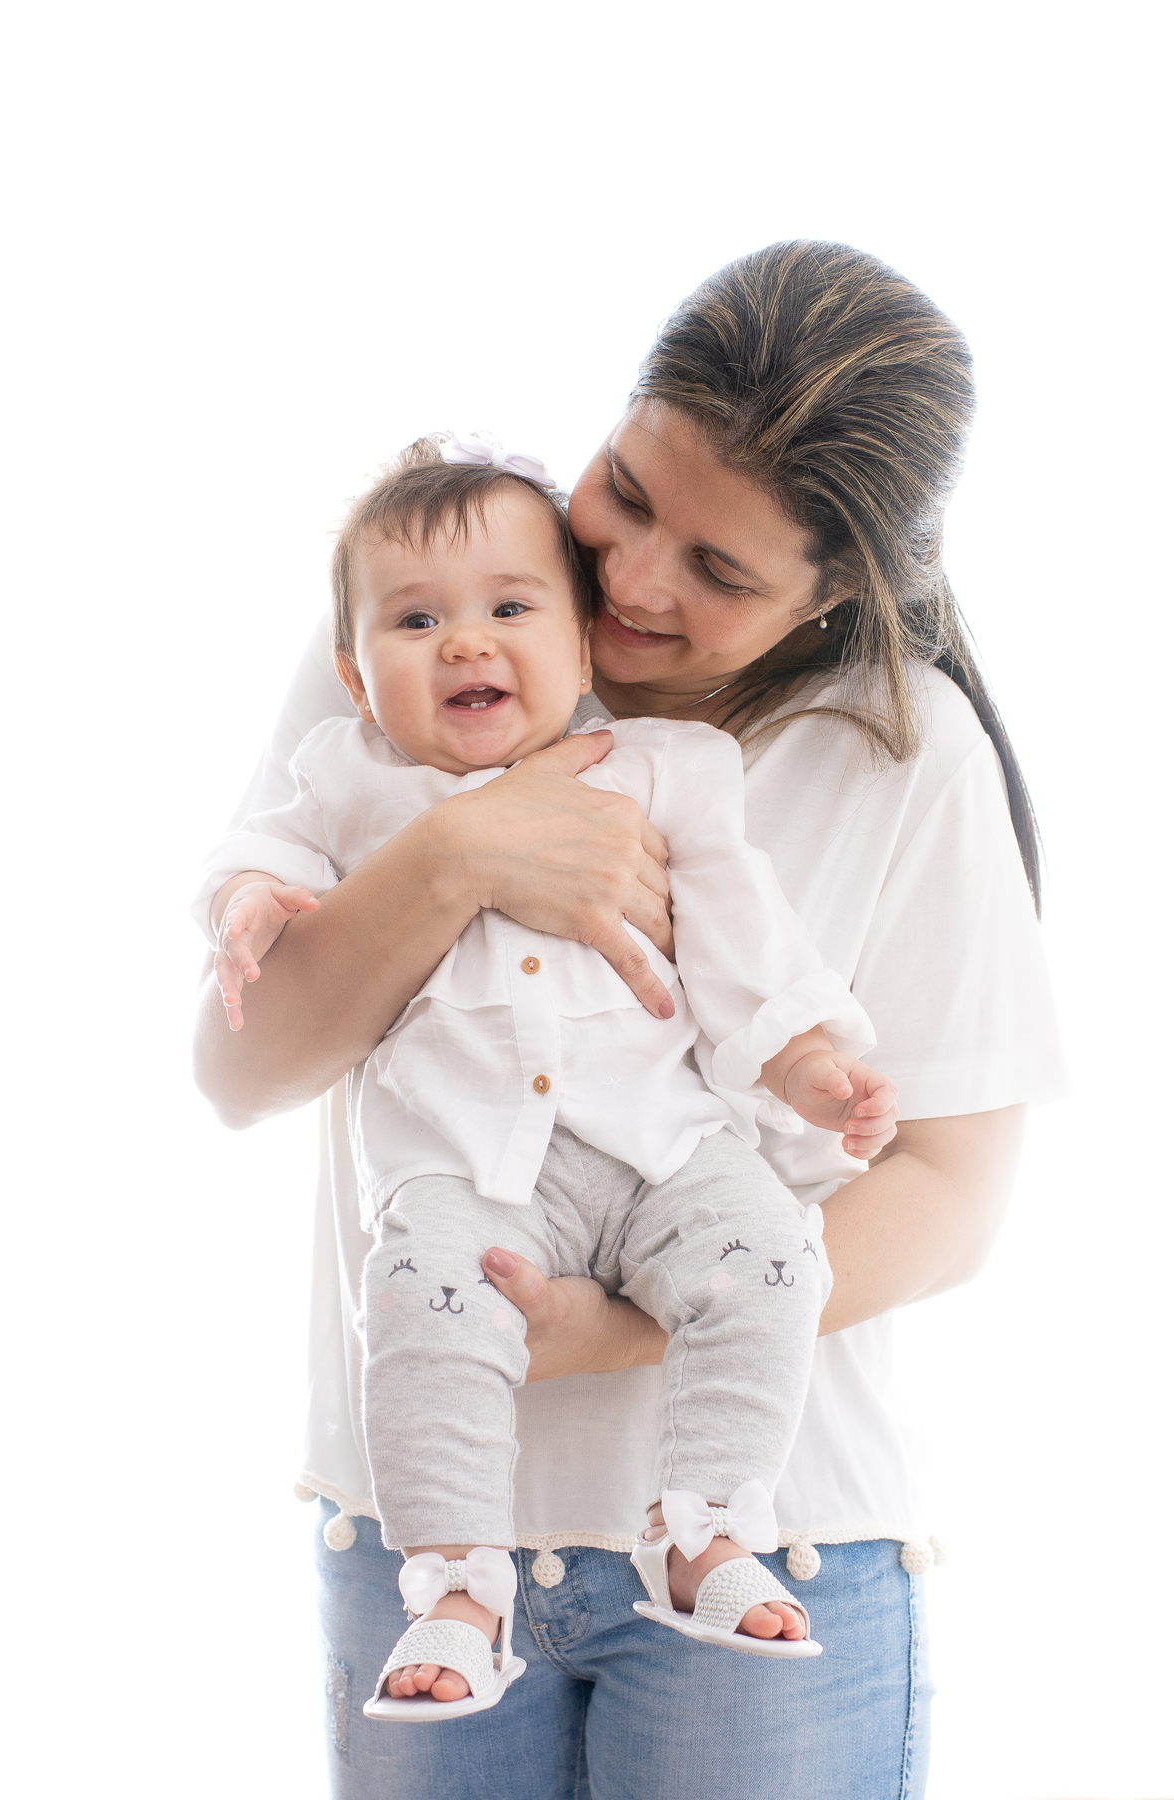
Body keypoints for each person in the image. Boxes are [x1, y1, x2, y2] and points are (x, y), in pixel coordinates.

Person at [192, 242, 1066, 1799]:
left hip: (783, 1537)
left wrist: (618, 1335)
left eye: (720, 569)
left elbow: (949, 1195)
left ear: (836, 593)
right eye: (630, 493)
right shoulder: (421, 631)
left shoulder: (904, 753)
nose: (640, 580)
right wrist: (461, 853)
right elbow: (241, 1070)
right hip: (418, 1545)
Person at [196, 432, 900, 1718]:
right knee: (417, 1305)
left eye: (510, 610)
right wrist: (247, 904)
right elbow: (263, 855)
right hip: (467, 1167)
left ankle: (704, 1524)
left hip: (661, 1149)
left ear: (583, 650)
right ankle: (458, 1584)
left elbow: (741, 925)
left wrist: (804, 1059)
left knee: (776, 1256)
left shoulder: (666, 768)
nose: (465, 641)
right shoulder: (348, 778)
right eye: (417, 621)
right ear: (355, 675)